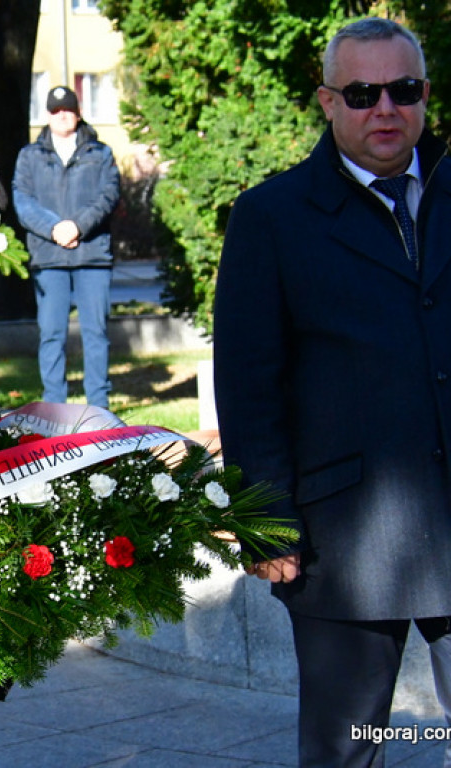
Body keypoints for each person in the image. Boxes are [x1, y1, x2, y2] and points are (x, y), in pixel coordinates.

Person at [214, 17, 451, 767]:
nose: (385, 108)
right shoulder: (271, 218)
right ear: (326, 101)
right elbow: (249, 381)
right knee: (348, 751)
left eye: (403, 89)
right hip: (345, 539)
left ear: (425, 95)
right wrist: (266, 516)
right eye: (362, 92)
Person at [13, 86, 120, 408]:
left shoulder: (100, 153)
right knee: (51, 335)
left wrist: (77, 225)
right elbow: (23, 200)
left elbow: (109, 195)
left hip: (92, 256)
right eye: (56, 110)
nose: (62, 115)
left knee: (96, 334)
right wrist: (54, 228)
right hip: (49, 258)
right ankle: (54, 405)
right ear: (47, 115)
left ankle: (99, 406)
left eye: (68, 109)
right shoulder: (29, 156)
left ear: (77, 112)